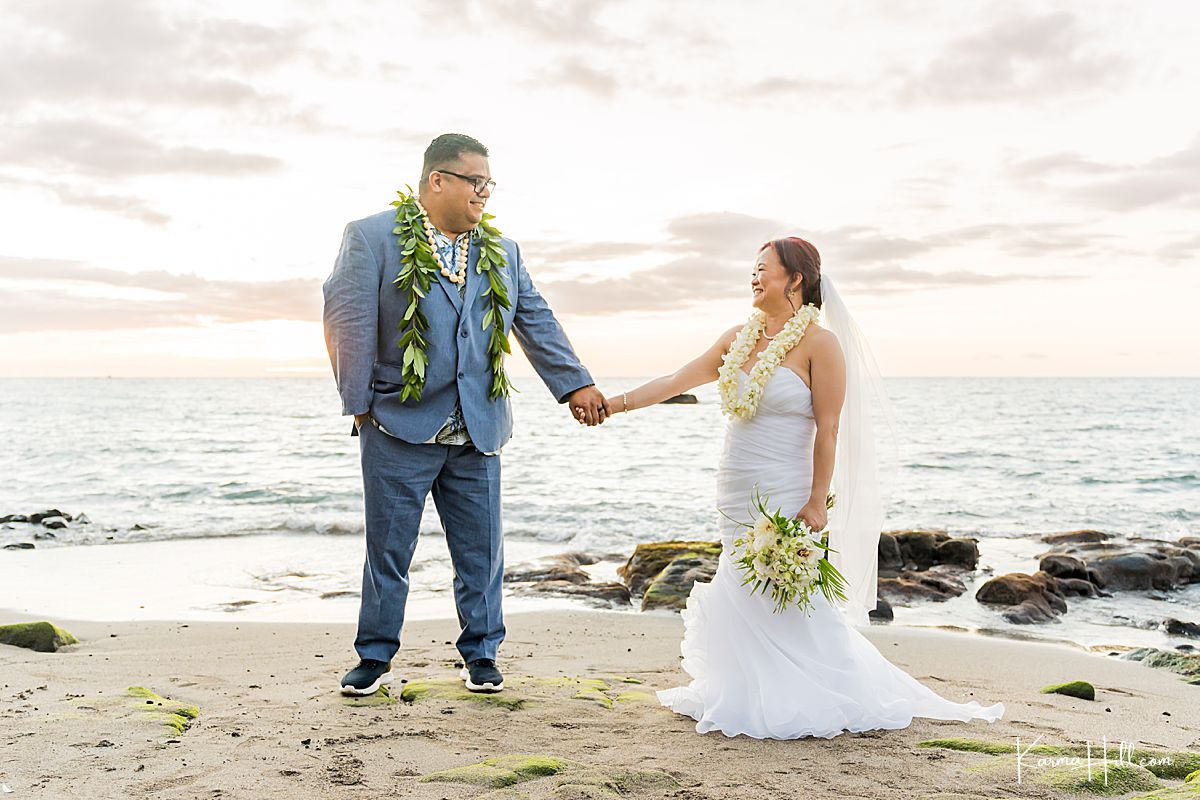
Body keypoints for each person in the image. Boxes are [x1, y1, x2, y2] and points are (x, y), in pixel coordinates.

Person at [607, 237, 1004, 739]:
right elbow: (675, 381)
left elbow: (829, 427)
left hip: (786, 487)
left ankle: (812, 689)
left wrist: (818, 499)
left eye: (762, 269)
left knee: (788, 589)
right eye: (751, 269)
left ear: (795, 279)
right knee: (742, 581)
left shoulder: (821, 345)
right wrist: (611, 404)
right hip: (736, 483)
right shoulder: (738, 338)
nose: (753, 277)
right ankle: (746, 689)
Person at [322, 133, 608, 697]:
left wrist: (576, 384)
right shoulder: (372, 237)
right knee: (389, 550)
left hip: (479, 425)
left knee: (481, 551)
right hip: (396, 423)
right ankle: (374, 657)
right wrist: (359, 406)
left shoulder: (504, 252)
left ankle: (481, 653)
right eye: (475, 182)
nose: (484, 193)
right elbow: (346, 321)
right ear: (437, 181)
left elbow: (536, 319)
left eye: (488, 183)